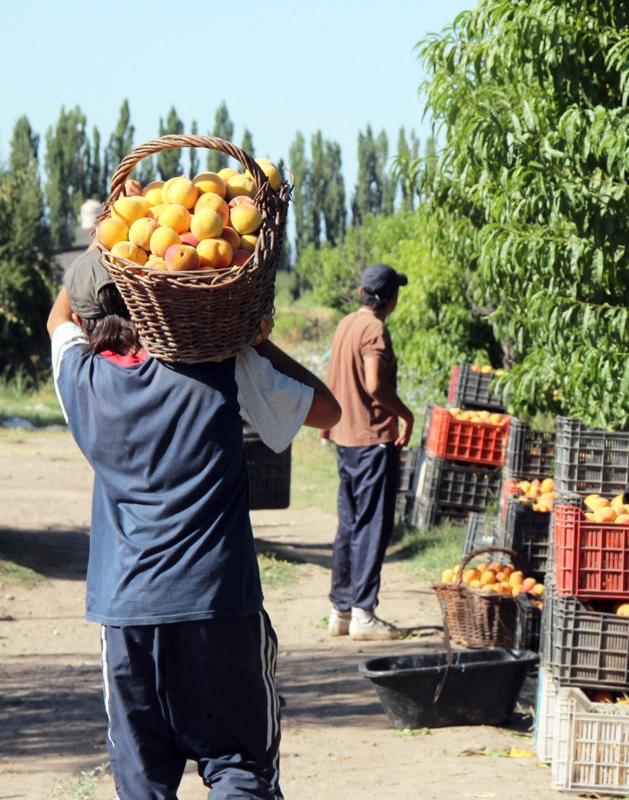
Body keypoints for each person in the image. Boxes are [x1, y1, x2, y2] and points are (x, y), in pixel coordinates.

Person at [47, 248, 341, 799]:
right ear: (154, 296)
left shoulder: (81, 382)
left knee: (143, 785)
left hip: (126, 616)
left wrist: (100, 247)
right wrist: (254, 340)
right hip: (218, 606)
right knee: (240, 768)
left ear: (88, 320)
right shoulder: (222, 366)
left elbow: (57, 320)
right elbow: (328, 411)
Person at [321, 262, 415, 640]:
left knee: (350, 524)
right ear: (390, 298)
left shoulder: (346, 324)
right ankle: (363, 613)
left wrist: (327, 427)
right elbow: (375, 385)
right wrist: (406, 415)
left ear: (362, 294)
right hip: (372, 439)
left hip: (345, 436)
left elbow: (333, 377)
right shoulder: (375, 329)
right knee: (373, 526)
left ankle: (340, 611)